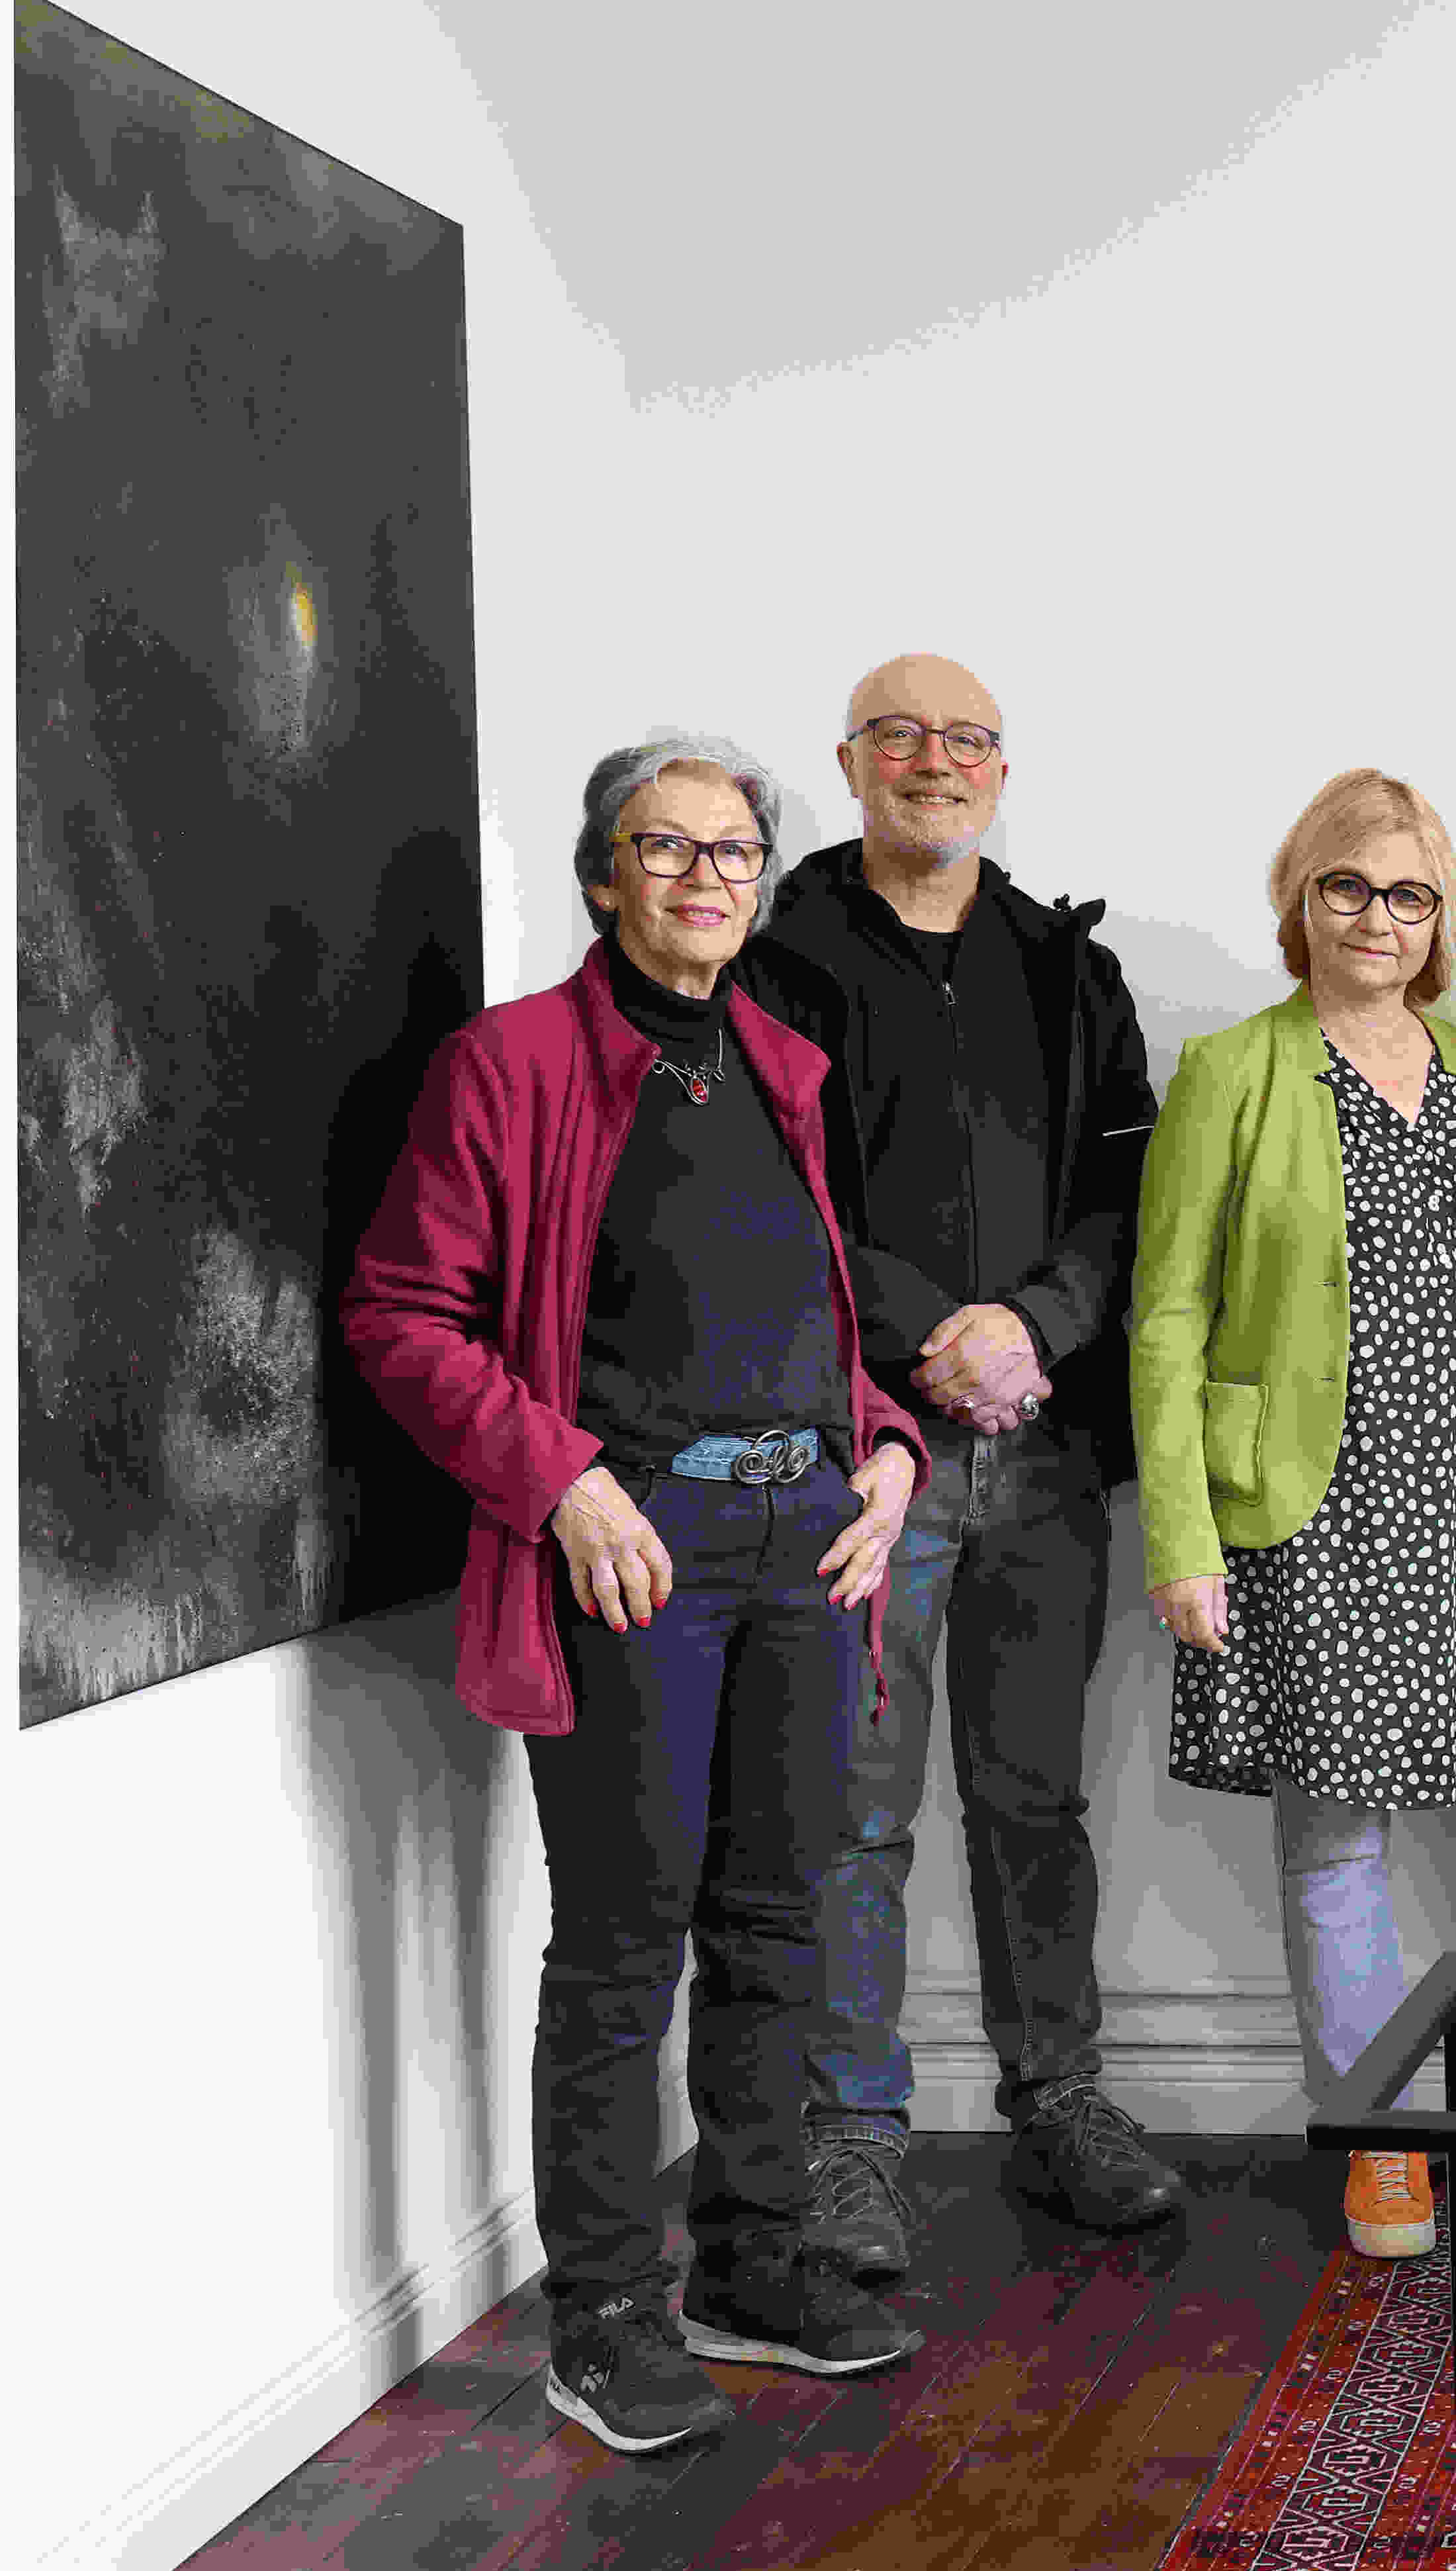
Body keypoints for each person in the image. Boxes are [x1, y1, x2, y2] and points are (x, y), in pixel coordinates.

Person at [344, 738, 927, 2453]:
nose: (703, 878)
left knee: (780, 1920)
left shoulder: (782, 1066)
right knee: (623, 1942)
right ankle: (601, 2316)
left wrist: (889, 1451)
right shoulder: (512, 1063)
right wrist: (562, 1479)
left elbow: (812, 1320)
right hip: (635, 1544)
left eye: (732, 852)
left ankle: (752, 2268)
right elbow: (401, 1314)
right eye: (663, 849)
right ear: (606, 877)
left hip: (806, 1539)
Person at [737, 652, 1181, 2283]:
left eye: (969, 739)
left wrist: (1035, 1327)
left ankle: (1059, 2100)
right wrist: (938, 1333)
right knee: (851, 1813)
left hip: (1046, 1448)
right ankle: (851, 2138)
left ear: (1003, 767)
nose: (938, 762)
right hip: (866, 1454)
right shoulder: (774, 960)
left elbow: (1131, 1193)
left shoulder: (1070, 966)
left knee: (1036, 1801)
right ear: (851, 761)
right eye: (903, 736)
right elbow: (766, 1191)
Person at [1128, 770, 1456, 2260]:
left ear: (1440, 917)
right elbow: (1167, 1314)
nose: (1377, 917)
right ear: (1302, 900)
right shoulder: (1234, 1072)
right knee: (1339, 1830)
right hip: (1322, 1509)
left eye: (1409, 893)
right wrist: (1184, 1534)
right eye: (1347, 886)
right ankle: (1383, 2138)